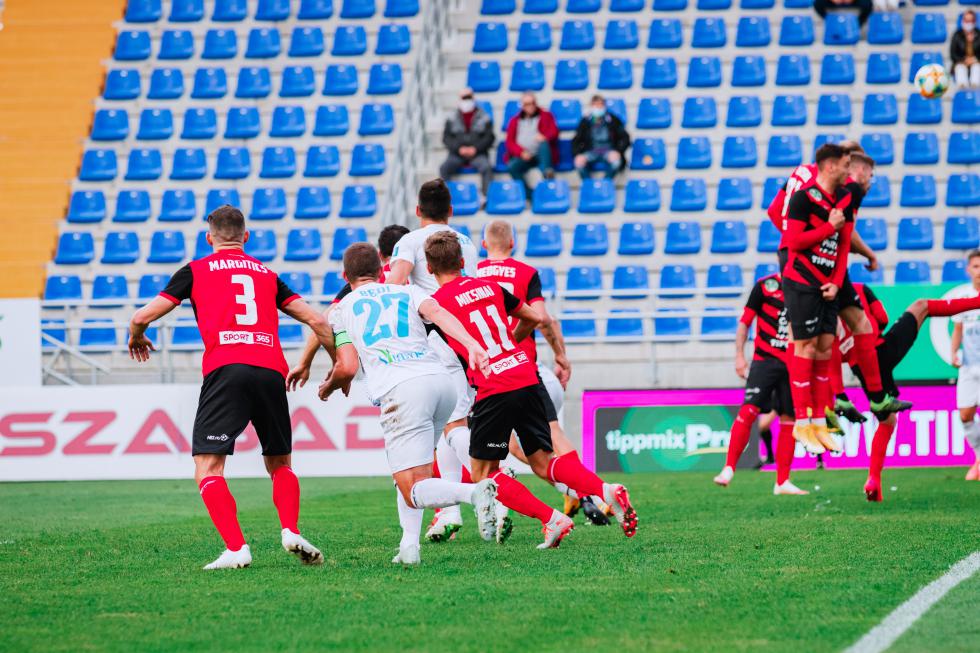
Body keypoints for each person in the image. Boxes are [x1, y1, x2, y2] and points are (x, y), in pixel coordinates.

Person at [127, 205, 334, 570]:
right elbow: (318, 320)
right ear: (246, 237)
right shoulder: (268, 275)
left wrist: (137, 335)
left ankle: (237, 548)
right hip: (270, 370)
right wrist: (338, 365)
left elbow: (141, 316)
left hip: (227, 370)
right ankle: (290, 530)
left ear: (209, 238)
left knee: (208, 467)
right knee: (280, 462)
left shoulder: (195, 270)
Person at [425, 231, 638, 547]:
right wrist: (510, 343)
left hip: (494, 386)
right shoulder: (489, 287)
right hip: (525, 374)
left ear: (429, 268)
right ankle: (605, 490)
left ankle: (552, 519)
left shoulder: (436, 305)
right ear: (461, 261)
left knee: (484, 475)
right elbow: (536, 317)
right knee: (543, 462)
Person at [316, 242, 499, 565]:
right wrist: (471, 344)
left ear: (345, 276)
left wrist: (328, 387)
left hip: (402, 390)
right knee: (416, 474)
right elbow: (438, 313)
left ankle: (474, 493)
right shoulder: (407, 291)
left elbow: (347, 367)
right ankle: (409, 547)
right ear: (381, 271)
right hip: (441, 383)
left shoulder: (341, 309)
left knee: (412, 488)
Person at [768, 145, 909, 441]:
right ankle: (813, 411)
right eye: (866, 172)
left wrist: (799, 236)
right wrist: (805, 240)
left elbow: (775, 211)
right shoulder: (843, 190)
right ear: (850, 166)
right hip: (805, 262)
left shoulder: (803, 173)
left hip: (821, 260)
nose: (867, 179)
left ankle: (839, 402)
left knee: (836, 332)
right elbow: (844, 230)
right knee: (808, 339)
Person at [476, 220, 612, 526]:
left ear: (484, 245)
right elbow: (543, 318)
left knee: (508, 450)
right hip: (525, 369)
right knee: (542, 439)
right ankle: (584, 492)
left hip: (491, 375)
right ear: (513, 243)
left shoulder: (474, 275)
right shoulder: (525, 273)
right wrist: (561, 355)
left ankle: (586, 493)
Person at [384, 179, 482, 543]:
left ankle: (491, 483)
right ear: (450, 210)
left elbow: (395, 285)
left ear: (417, 210)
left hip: (434, 338)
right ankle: (450, 511)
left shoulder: (409, 241)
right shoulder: (465, 242)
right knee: (448, 423)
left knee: (451, 425)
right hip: (463, 332)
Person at [836, 281, 980, 499]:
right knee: (922, 306)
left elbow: (830, 353)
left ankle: (874, 478)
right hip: (880, 350)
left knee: (887, 421)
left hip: (862, 367)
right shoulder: (858, 288)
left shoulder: (822, 309)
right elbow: (882, 317)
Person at [714, 273, 806, 495]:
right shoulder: (765, 286)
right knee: (749, 410)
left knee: (789, 418)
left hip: (793, 362)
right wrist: (739, 355)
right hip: (765, 361)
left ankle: (782, 481)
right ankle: (729, 468)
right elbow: (745, 322)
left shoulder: (805, 287)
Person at [950, 250, 980, 482]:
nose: (979, 271)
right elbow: (958, 329)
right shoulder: (964, 297)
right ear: (968, 269)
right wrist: (953, 353)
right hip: (969, 366)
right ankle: (979, 456)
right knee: (965, 414)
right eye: (976, 267)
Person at [439, 88, 495, 199]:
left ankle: (486, 197)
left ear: (473, 98)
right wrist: (459, 149)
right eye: (464, 98)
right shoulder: (451, 118)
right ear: (459, 99)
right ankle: (446, 199)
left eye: (468, 97)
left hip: (478, 154)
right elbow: (446, 138)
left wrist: (476, 149)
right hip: (457, 154)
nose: (466, 100)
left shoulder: (484, 117)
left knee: (486, 167)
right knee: (444, 168)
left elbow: (489, 138)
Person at [504, 92, 559, 199]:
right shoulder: (514, 120)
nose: (530, 106)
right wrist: (521, 152)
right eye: (527, 104)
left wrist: (545, 136)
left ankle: (547, 173)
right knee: (512, 167)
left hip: (541, 154)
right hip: (524, 155)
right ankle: (531, 195)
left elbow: (555, 132)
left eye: (532, 103)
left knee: (544, 144)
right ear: (522, 106)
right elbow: (509, 142)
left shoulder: (546, 115)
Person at [571, 94, 630, 181]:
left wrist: (618, 151)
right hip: (591, 151)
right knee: (578, 164)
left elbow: (625, 138)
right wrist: (577, 155)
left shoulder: (613, 120)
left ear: (604, 105)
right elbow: (576, 140)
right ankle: (590, 184)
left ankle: (605, 183)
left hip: (609, 151)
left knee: (616, 163)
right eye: (596, 104)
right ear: (591, 105)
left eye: (600, 104)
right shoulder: (585, 121)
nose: (598, 107)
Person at [951, 10, 980, 89]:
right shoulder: (957, 35)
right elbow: (953, 54)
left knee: (977, 67)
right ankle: (963, 90)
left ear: (974, 21)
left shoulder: (979, 34)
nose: (968, 23)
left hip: (976, 62)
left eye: (970, 21)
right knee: (960, 68)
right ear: (963, 21)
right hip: (961, 62)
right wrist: (964, 60)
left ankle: (975, 90)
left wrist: (975, 59)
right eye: (966, 20)